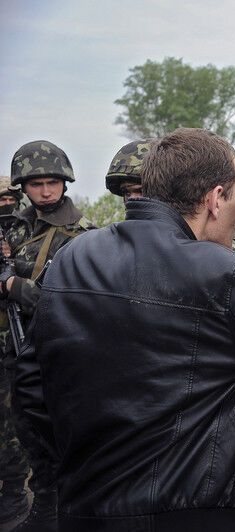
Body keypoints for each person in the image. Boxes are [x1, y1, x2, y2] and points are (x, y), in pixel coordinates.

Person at [13, 128, 235, 532]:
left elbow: (31, 384)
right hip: (201, 514)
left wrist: (75, 470)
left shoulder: (73, 258)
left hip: (86, 507)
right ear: (213, 199)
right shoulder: (225, 276)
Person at [2, 140, 93, 531]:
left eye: (52, 182)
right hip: (12, 350)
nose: (45, 191)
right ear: (23, 186)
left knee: (51, 436)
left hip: (55, 354)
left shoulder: (82, 235)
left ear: (64, 182)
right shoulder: (13, 227)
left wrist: (12, 286)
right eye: (36, 183)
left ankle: (55, 512)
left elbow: (76, 299)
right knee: (17, 433)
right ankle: (33, 508)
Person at [0, 175, 28, 526]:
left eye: (9, 199)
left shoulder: (24, 234)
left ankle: (15, 490)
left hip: (17, 342)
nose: (4, 206)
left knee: (14, 420)